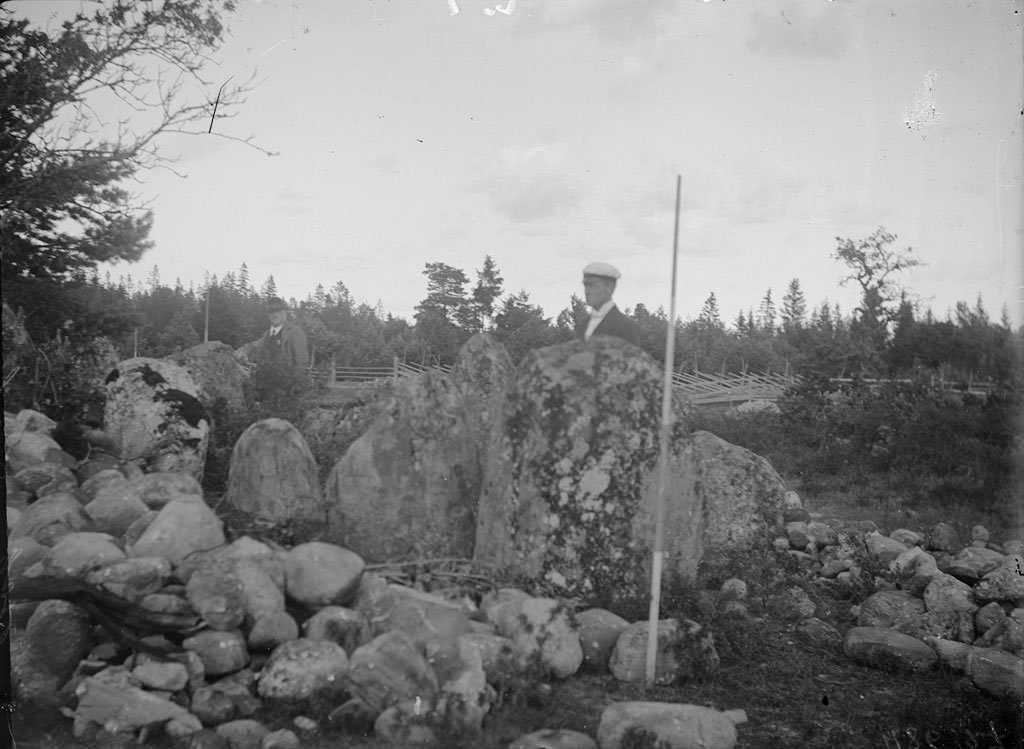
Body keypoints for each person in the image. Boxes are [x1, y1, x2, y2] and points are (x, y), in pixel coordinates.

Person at [575, 261, 641, 347]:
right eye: (585, 285)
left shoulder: (626, 327)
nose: (587, 291)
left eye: (591, 285)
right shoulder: (583, 325)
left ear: (609, 287)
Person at [256, 297, 309, 370]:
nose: (275, 315)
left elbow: (301, 363)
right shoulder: (266, 335)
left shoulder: (295, 332)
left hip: (290, 380)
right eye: (271, 312)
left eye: (278, 311)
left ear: (285, 313)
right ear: (268, 315)